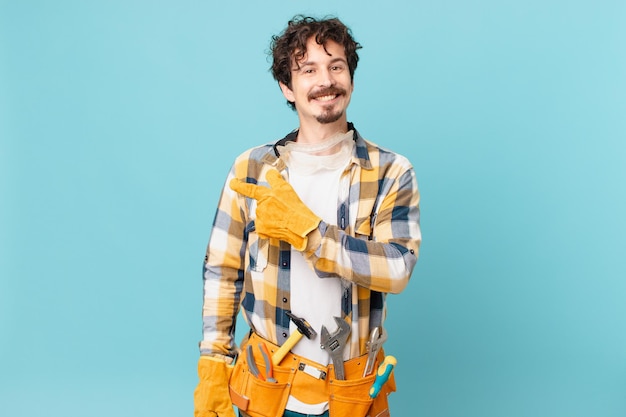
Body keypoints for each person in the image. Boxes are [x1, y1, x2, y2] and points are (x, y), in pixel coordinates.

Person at [193, 15, 421, 417]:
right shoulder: (252, 169)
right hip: (266, 385)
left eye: (336, 66)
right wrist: (214, 362)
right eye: (308, 69)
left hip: (353, 391)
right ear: (287, 87)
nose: (325, 81)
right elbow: (223, 270)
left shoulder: (390, 171)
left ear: (351, 77)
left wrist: (311, 234)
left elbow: (398, 268)